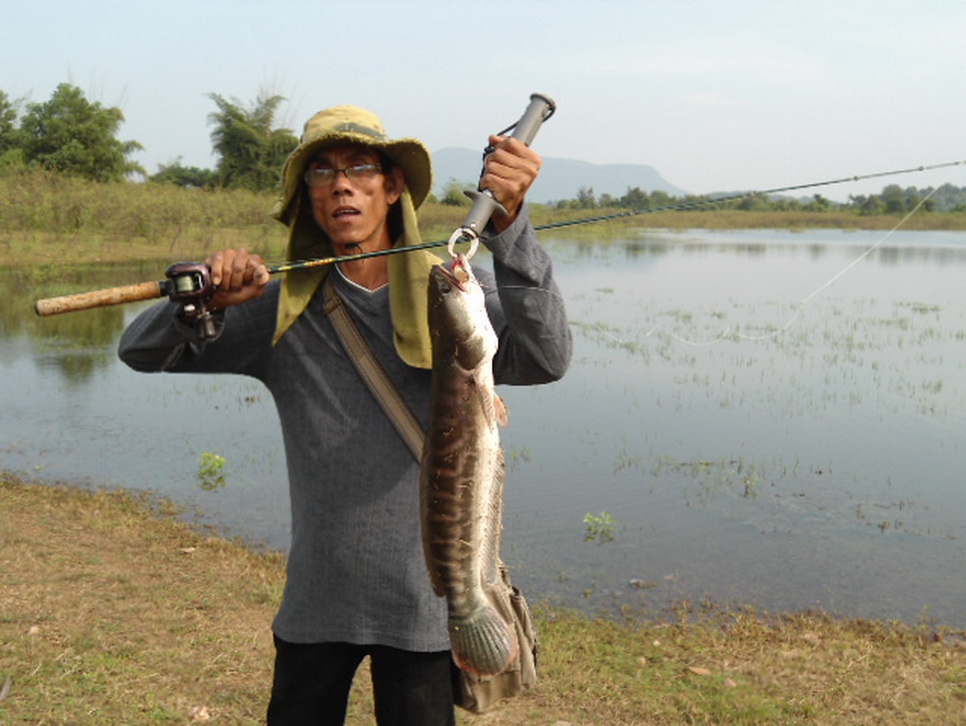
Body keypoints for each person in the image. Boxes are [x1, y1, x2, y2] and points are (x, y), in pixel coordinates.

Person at [118, 104, 571, 726]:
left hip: (425, 607)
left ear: (392, 188)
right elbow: (139, 353)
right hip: (317, 602)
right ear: (308, 198)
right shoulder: (276, 313)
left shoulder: (455, 297)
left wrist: (513, 225)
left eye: (361, 167)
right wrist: (202, 305)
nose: (342, 184)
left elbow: (547, 358)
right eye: (322, 172)